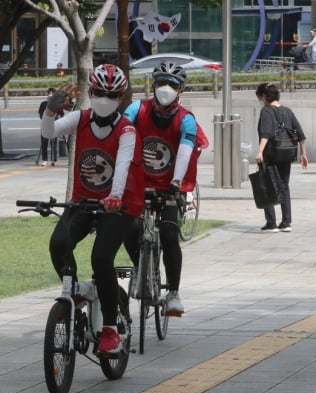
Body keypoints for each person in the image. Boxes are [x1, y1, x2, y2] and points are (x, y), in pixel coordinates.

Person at [41, 64, 144, 354]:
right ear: (90, 91)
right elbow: (49, 132)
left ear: (121, 97)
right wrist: (50, 111)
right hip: (83, 200)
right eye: (99, 92)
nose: (103, 98)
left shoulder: (127, 130)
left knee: (101, 258)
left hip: (120, 205)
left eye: (111, 95)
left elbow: (122, 165)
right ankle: (73, 294)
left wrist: (114, 196)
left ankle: (110, 328)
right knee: (59, 242)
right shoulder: (80, 118)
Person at [123, 62, 198, 316]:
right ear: (152, 86)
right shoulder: (137, 108)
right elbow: (121, 133)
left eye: (173, 84)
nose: (166, 89)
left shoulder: (186, 119)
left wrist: (176, 183)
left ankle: (174, 293)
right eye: (161, 83)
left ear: (181, 90)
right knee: (128, 228)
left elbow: (186, 151)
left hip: (169, 186)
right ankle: (141, 270)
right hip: (138, 184)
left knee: (168, 234)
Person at [255, 82, 309, 232]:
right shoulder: (288, 111)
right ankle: (286, 222)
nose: (260, 100)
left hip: (270, 153)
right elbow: (301, 134)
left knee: (268, 186)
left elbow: (266, 133)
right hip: (286, 153)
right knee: (284, 186)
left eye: (260, 97)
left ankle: (271, 222)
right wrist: (303, 153)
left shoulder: (266, 111)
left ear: (264, 96)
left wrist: (259, 151)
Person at [38, 88, 59, 166]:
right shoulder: (43, 104)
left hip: (54, 125)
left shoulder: (57, 104)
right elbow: (40, 114)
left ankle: (53, 160)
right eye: (49, 93)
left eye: (52, 93)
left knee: (53, 143)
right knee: (44, 143)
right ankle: (45, 159)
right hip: (45, 125)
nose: (50, 94)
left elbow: (61, 113)